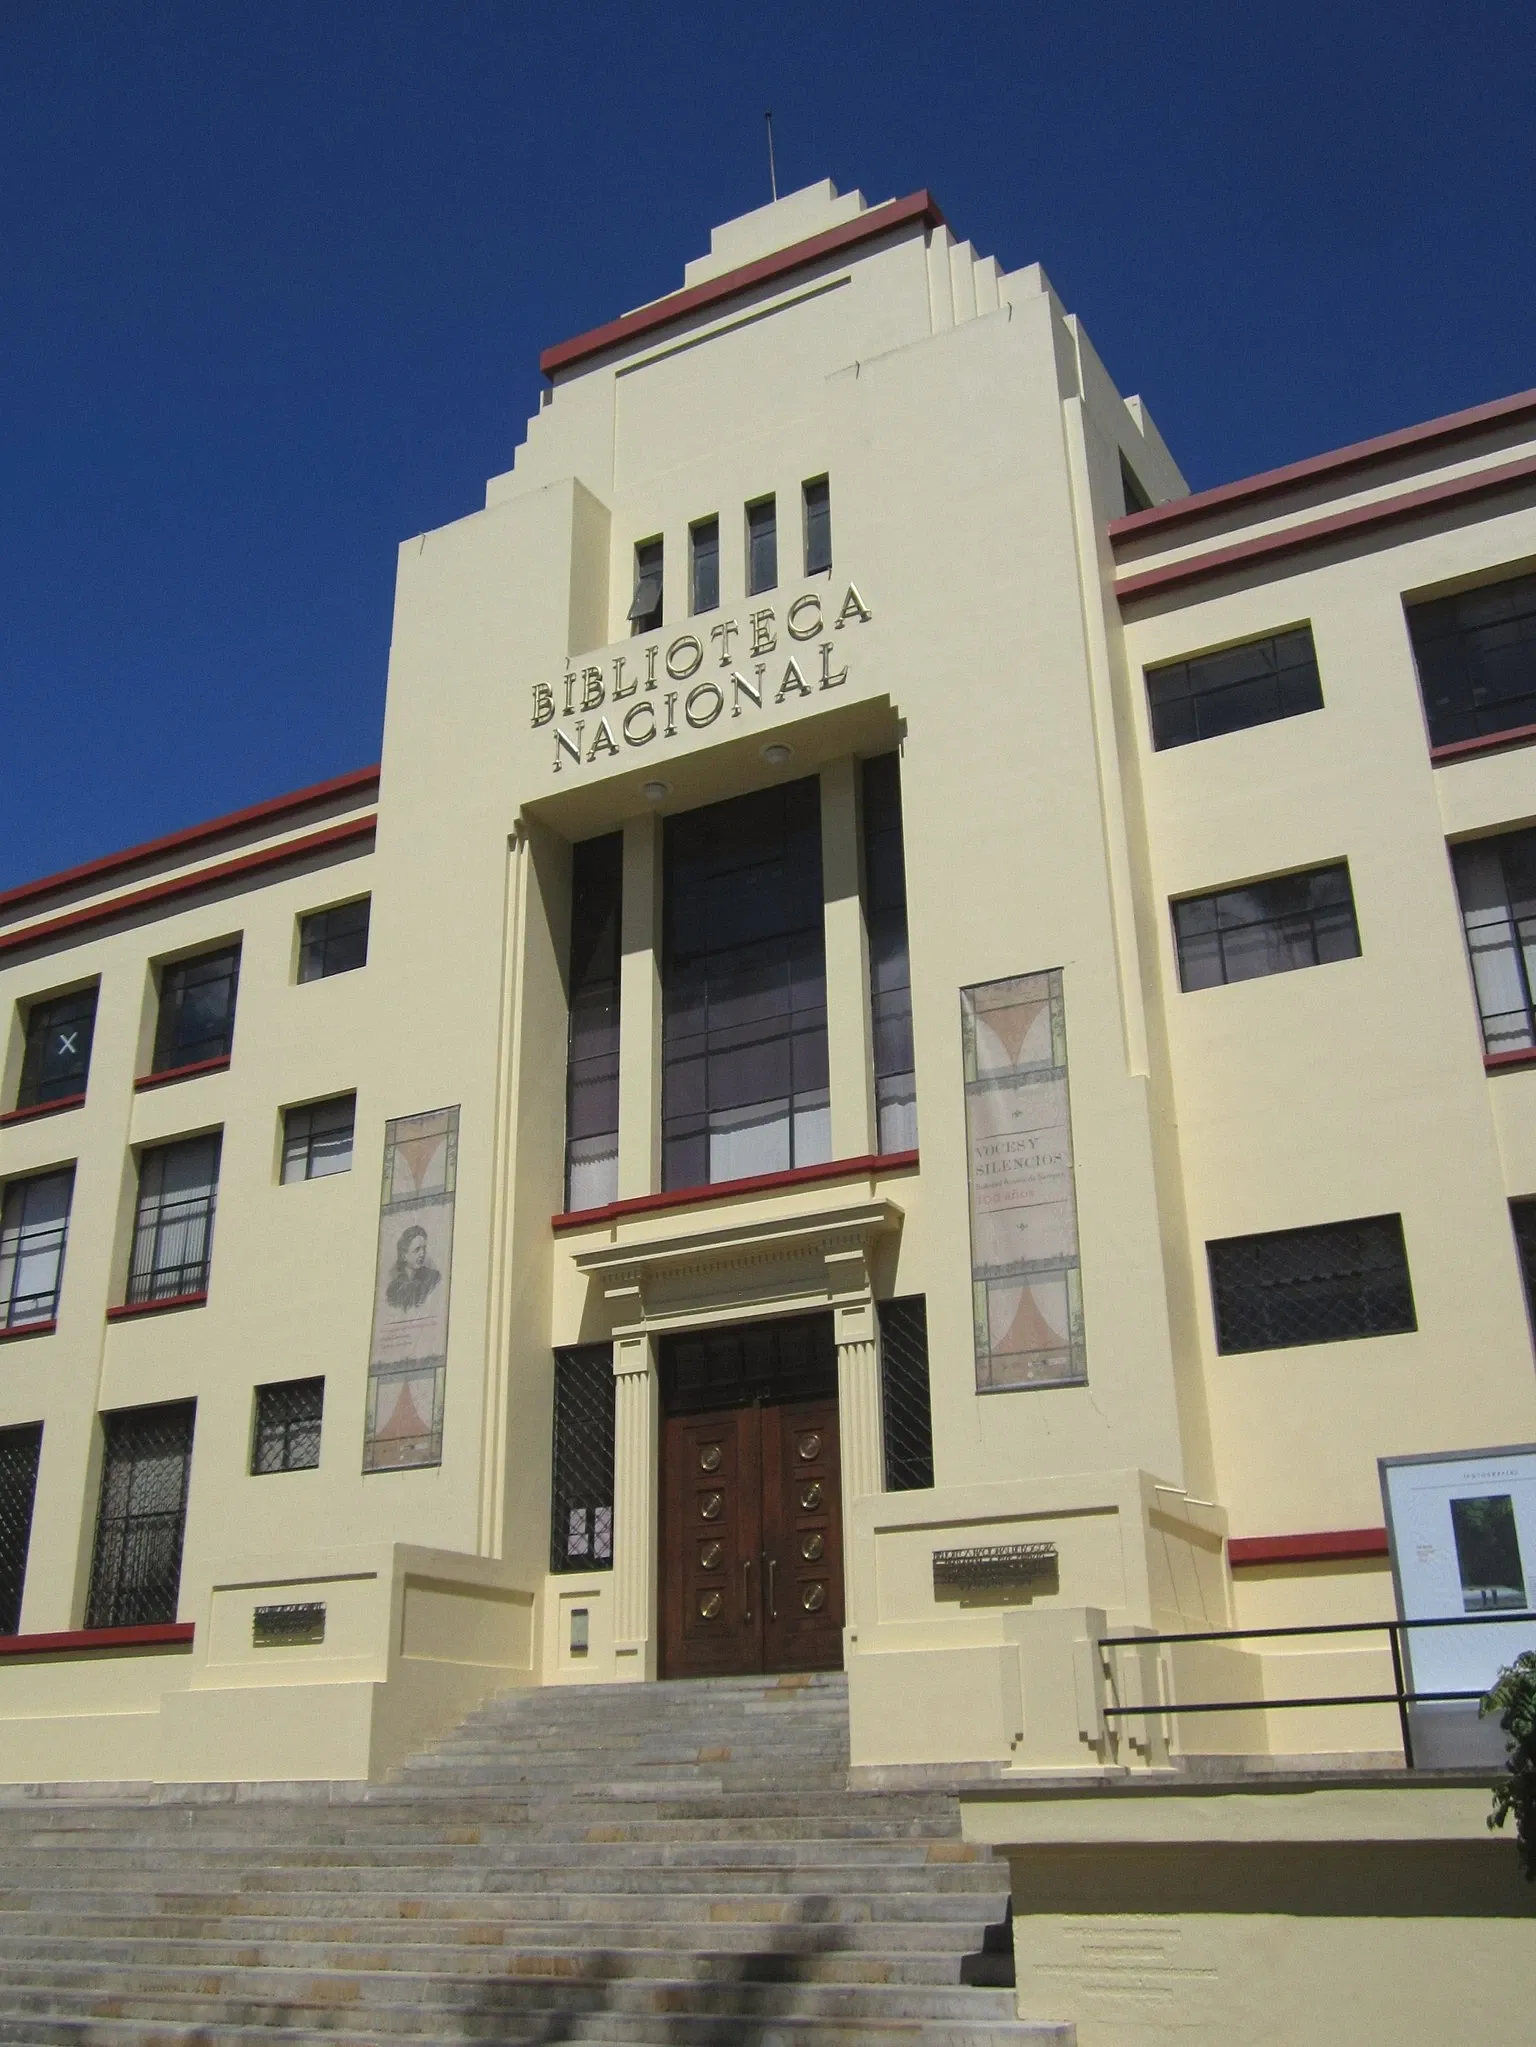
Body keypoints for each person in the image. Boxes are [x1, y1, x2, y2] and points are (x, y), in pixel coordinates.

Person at [385, 1223, 441, 1311]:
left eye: (424, 1248)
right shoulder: (393, 1289)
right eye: (417, 1249)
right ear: (404, 1254)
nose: (422, 1254)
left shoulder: (433, 1278)